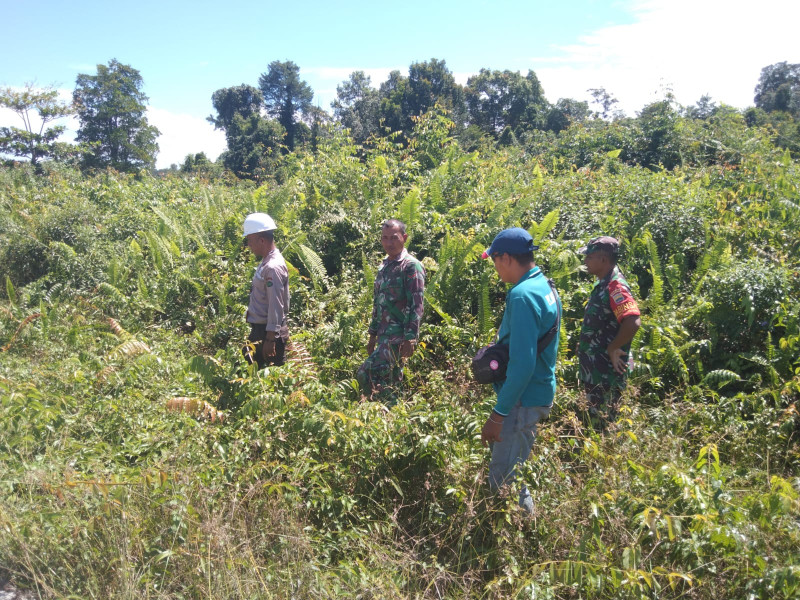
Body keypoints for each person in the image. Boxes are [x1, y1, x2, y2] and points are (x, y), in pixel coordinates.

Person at [479, 227, 560, 515]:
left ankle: (517, 528)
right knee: (515, 466)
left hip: (522, 399)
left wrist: (498, 415)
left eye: (495, 260)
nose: (495, 267)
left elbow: (523, 364)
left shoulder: (522, 295)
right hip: (538, 390)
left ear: (506, 258)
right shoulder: (545, 285)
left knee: (505, 477)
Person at [357, 219, 425, 404]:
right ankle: (390, 413)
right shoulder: (385, 266)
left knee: (365, 372)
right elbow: (378, 303)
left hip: (398, 337)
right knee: (389, 381)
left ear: (404, 238)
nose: (389, 243)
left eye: (394, 238)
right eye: (385, 238)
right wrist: (372, 335)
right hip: (383, 335)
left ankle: (386, 409)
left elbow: (416, 304)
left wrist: (411, 338)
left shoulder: (411, 266)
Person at [578, 236, 641, 430]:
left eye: (589, 257)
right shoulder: (604, 284)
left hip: (605, 375)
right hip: (595, 372)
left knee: (603, 427)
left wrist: (614, 347)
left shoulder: (615, 287)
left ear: (603, 259)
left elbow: (633, 321)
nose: (585, 261)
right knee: (594, 426)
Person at [242, 213, 290, 370]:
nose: (248, 245)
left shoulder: (272, 267)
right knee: (252, 369)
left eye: (250, 240)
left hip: (267, 333)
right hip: (262, 330)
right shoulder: (267, 261)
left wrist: (270, 339)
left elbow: (276, 304)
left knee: (273, 377)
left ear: (261, 240)